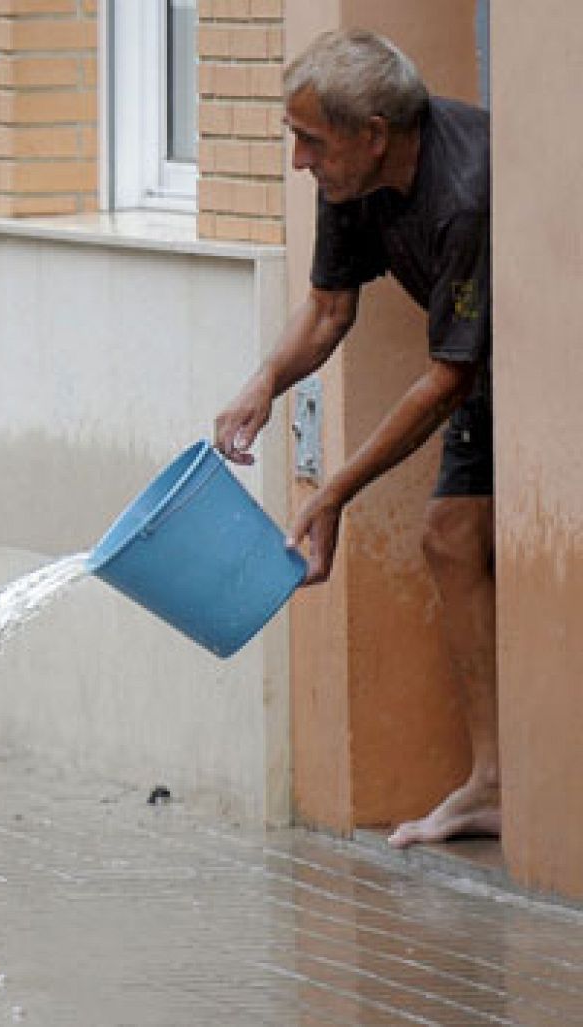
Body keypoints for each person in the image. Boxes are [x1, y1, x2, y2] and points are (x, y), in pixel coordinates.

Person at [213, 29, 494, 849]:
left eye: (311, 142)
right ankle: (495, 783)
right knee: (452, 536)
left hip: (540, 353)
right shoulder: (350, 180)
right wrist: (267, 380)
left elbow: (449, 379)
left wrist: (333, 490)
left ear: (373, 133)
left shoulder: (465, 193)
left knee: (454, 529)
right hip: (482, 357)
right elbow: (332, 309)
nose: (300, 160)